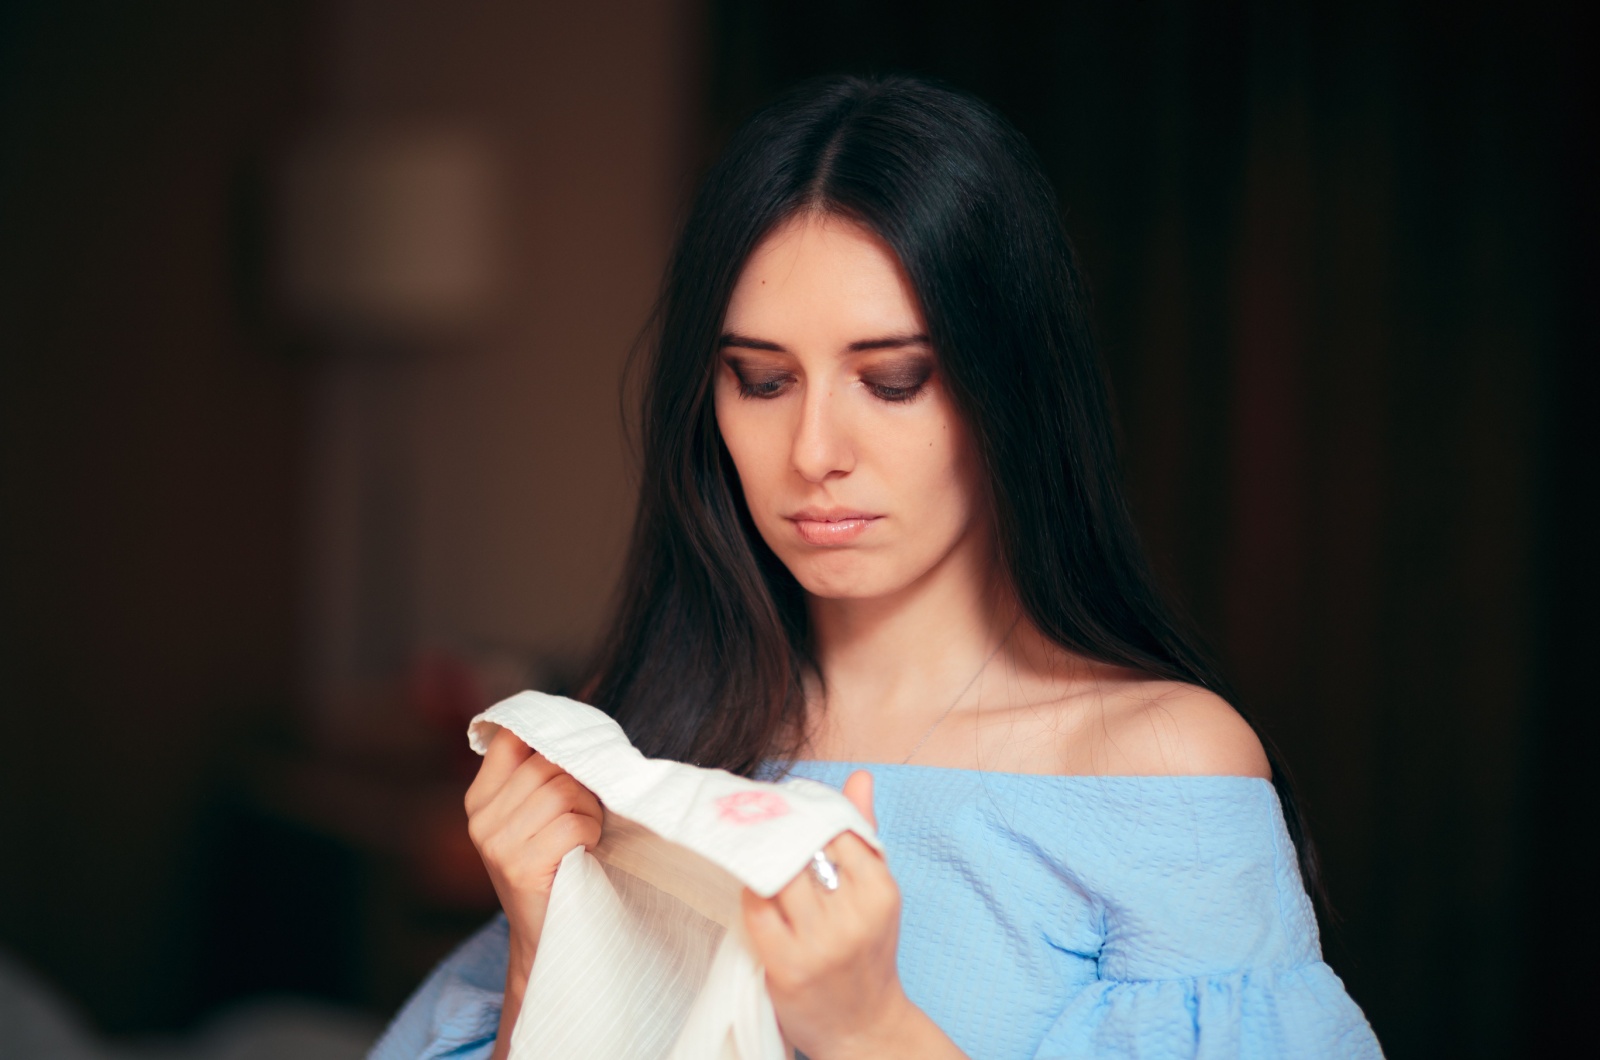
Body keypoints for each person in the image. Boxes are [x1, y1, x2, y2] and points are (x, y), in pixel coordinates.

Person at [370, 74, 1382, 1059]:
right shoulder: (645, 734)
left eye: (891, 380)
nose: (814, 451)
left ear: (1010, 387)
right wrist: (544, 950)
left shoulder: (1162, 764)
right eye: (762, 380)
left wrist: (868, 1031)